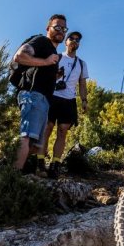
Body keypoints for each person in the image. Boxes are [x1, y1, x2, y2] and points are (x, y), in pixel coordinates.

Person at [12, 15, 66, 173]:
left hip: (43, 100)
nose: (61, 31)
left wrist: (55, 76)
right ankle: (11, 178)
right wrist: (46, 62)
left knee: (34, 146)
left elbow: (40, 71)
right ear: (48, 28)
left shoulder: (52, 51)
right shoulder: (42, 41)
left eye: (64, 28)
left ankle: (10, 170)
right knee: (26, 137)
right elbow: (19, 56)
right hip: (33, 96)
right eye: (57, 27)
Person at [40, 30, 88, 177]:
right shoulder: (57, 57)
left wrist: (84, 101)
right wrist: (56, 76)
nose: (74, 41)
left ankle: (55, 165)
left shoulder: (81, 64)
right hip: (52, 97)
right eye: (71, 38)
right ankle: (40, 162)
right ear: (66, 42)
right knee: (47, 128)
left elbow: (82, 84)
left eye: (77, 40)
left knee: (62, 131)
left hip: (69, 101)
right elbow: (45, 76)